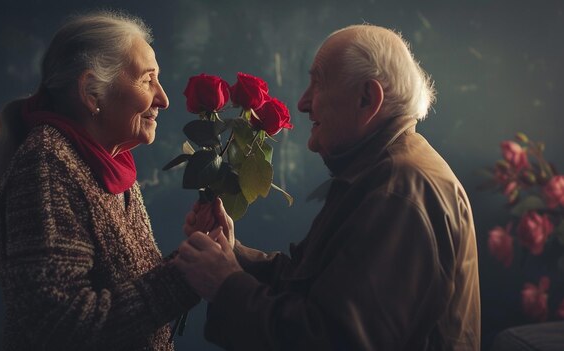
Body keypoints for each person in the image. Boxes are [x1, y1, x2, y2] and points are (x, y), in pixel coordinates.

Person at [173, 24, 481, 350]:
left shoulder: (398, 194)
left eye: (318, 84)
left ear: (367, 98)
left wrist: (225, 285)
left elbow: (335, 341)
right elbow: (312, 285)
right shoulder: (383, 172)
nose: (303, 103)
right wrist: (231, 254)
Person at [0, 11, 199, 350]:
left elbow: (130, 284)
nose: (163, 99)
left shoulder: (108, 160)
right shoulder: (46, 167)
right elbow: (60, 325)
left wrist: (194, 254)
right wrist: (186, 277)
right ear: (92, 93)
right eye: (147, 79)